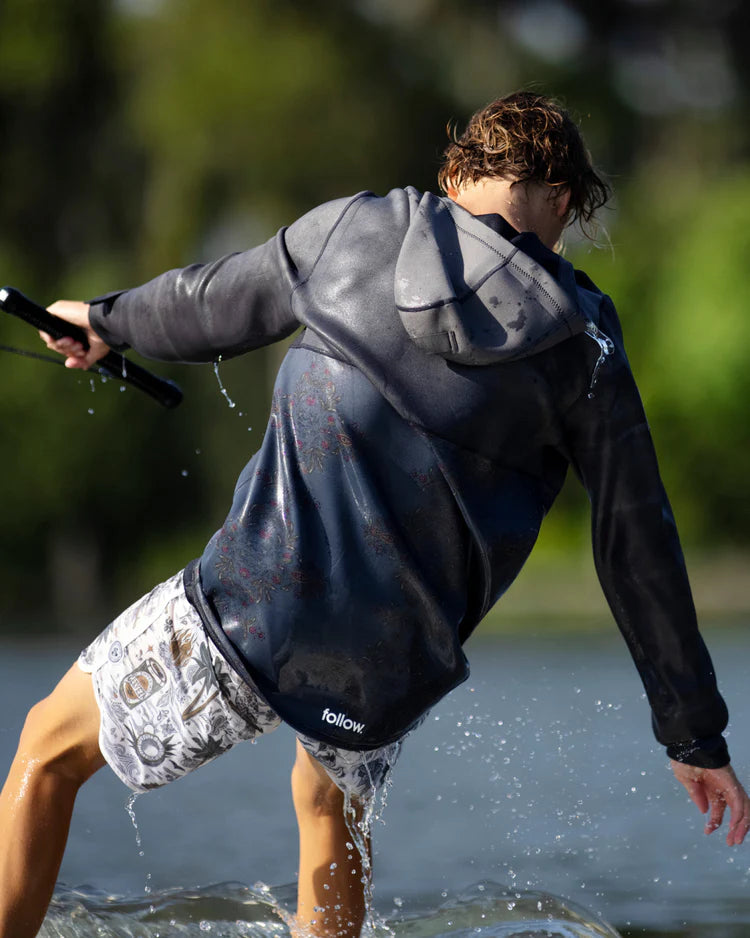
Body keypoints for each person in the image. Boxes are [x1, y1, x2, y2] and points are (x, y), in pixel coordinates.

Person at [1, 91, 748, 938]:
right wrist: (694, 737)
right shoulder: (587, 343)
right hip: (391, 662)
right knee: (327, 809)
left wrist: (103, 319)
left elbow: (213, 302)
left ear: (456, 173)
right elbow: (635, 540)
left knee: (46, 752)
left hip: (250, 607)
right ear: (565, 201)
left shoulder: (358, 230)